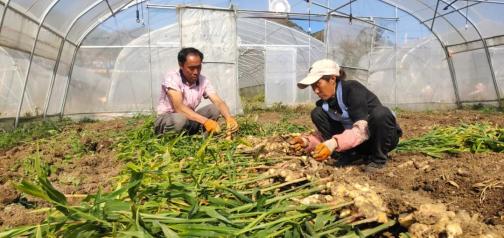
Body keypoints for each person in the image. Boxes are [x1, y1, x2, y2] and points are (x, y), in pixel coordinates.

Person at [290, 59, 402, 168]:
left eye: (318, 84)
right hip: (358, 144)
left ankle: (378, 160)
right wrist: (307, 142)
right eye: (312, 86)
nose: (316, 91)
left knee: (381, 113)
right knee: (317, 113)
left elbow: (362, 130)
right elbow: (325, 134)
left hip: (381, 139)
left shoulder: (352, 90)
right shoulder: (324, 104)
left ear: (332, 79)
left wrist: (334, 143)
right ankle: (350, 154)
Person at [154, 47, 239, 135]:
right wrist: (206, 121)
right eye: (191, 68)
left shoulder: (203, 80)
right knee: (179, 119)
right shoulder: (172, 78)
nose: (196, 72)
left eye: (198, 67)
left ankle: (197, 137)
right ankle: (168, 140)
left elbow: (218, 101)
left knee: (214, 109)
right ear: (181, 65)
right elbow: (179, 107)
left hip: (188, 119)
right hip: (168, 119)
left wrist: (229, 118)